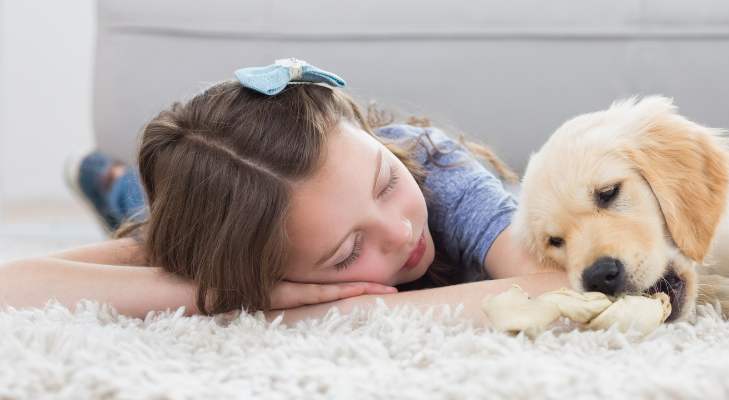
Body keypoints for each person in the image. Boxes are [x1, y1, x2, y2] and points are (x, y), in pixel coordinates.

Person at [0, 59, 567, 324]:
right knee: (145, 229)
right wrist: (220, 295)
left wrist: (348, 309)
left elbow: (555, 285)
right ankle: (117, 187)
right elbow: (13, 286)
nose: (399, 231)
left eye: (385, 183)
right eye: (346, 253)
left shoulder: (432, 168)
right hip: (219, 235)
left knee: (135, 212)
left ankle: (113, 182)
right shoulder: (243, 232)